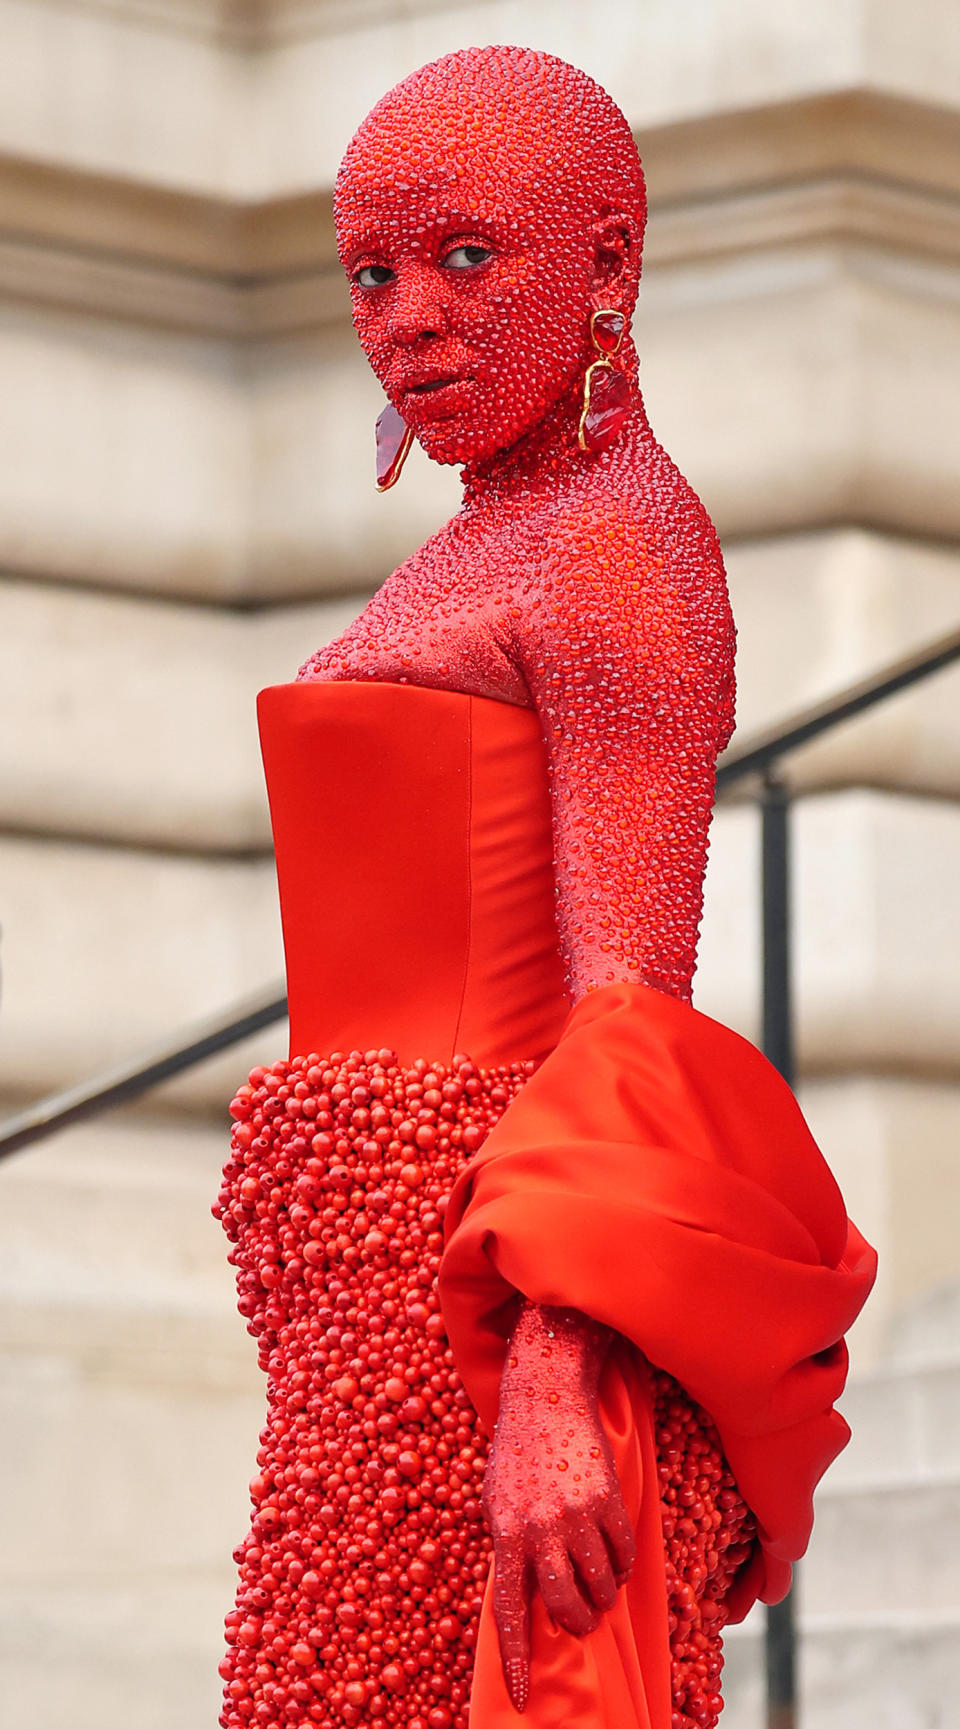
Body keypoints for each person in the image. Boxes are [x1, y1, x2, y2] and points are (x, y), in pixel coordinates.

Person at [214, 46, 875, 1729]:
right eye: (371, 270)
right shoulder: (485, 541)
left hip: (493, 1321)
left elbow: (632, 1003)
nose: (409, 320)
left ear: (609, 259)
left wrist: (562, 1376)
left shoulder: (616, 539)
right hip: (373, 1317)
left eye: (464, 255)